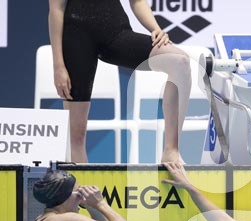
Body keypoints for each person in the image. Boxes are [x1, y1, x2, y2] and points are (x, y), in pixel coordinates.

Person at [48, 0, 191, 163]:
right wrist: (58, 66)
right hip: (76, 38)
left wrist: (155, 29)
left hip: (115, 32)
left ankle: (171, 151)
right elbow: (56, 10)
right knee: (76, 134)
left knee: (180, 62)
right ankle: (80, 179)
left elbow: (137, 1)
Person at [24, 169, 134, 221]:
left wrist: (90, 206)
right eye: (79, 192)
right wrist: (100, 203)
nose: (82, 196)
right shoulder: (69, 219)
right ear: (66, 196)